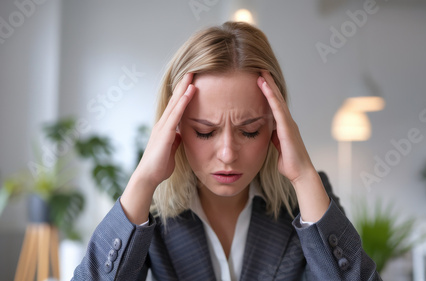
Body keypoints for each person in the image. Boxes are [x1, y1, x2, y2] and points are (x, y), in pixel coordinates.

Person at [72, 21, 381, 280]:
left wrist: (303, 177)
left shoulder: (308, 197)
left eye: (250, 130)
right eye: (205, 132)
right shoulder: (147, 207)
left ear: (276, 123)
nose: (228, 154)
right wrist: (142, 182)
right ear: (174, 126)